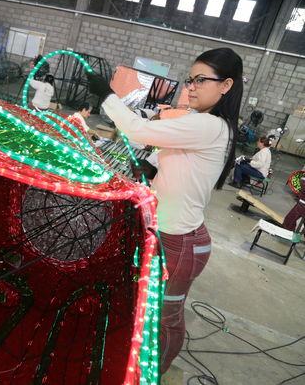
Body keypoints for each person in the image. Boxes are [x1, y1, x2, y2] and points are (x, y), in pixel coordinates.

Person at [89, 47, 243, 373]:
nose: (191, 87)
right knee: (148, 306)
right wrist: (147, 168)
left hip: (182, 241)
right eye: (190, 80)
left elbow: (138, 130)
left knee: (166, 318)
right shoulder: (201, 124)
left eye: (201, 80)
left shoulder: (212, 126)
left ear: (226, 85)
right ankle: (138, 364)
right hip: (168, 233)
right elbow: (165, 155)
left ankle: (154, 373)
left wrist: (107, 96)